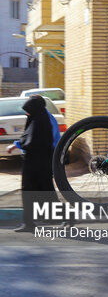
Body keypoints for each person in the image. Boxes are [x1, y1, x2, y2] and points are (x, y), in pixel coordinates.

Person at [7, 95, 60, 232]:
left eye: (28, 110)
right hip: (32, 160)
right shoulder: (36, 117)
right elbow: (28, 136)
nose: (27, 113)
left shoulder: (47, 120)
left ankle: (63, 217)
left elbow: (54, 141)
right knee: (33, 189)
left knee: (42, 190)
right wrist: (16, 146)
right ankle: (30, 222)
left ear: (35, 108)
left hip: (42, 161)